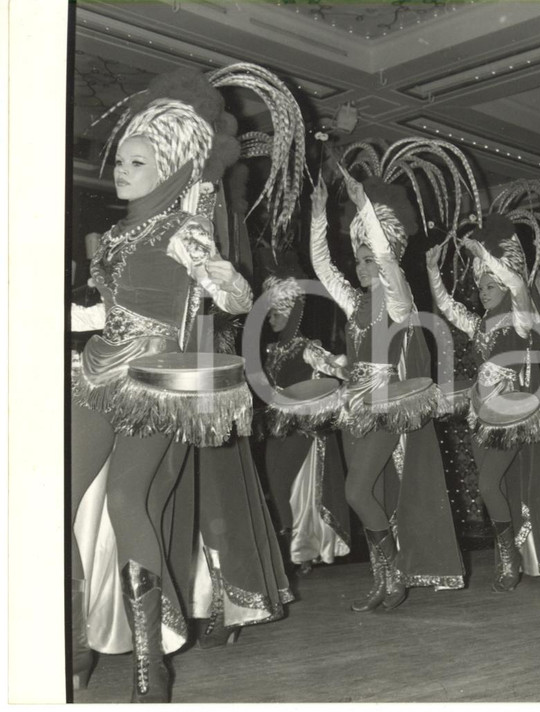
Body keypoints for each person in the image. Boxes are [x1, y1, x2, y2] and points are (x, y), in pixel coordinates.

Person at [70, 65, 302, 701]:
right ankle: (73, 638)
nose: (121, 169)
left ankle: (151, 661)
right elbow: (104, 312)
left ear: (168, 167)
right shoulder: (115, 235)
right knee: (54, 503)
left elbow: (233, 295)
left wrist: (212, 273)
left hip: (154, 381)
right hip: (95, 374)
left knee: (126, 501)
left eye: (137, 161)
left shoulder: (182, 229)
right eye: (120, 159)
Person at [309, 160, 465, 612]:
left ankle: (395, 572)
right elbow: (322, 267)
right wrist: (320, 217)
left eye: (367, 260)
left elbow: (389, 262)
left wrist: (364, 208)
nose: (360, 267)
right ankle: (382, 579)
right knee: (367, 496)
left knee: (357, 491)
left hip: (385, 407)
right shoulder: (355, 302)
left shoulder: (398, 300)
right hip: (353, 409)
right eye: (357, 260)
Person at [427, 205, 540, 593]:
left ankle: (507, 556)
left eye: (489, 284)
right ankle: (509, 551)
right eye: (480, 285)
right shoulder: (478, 323)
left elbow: (517, 284)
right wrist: (432, 272)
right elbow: (447, 307)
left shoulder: (519, 316)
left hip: (515, 411)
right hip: (482, 413)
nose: (483, 290)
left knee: (487, 484)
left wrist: (483, 253)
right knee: (492, 484)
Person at [259, 268, 352, 575]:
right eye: (270, 313)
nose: (270, 319)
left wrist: (343, 372)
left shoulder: (306, 347)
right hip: (278, 426)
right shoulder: (273, 351)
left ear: (291, 313)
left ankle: (296, 551)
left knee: (289, 484)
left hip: (302, 426)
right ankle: (298, 549)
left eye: (275, 313)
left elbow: (333, 366)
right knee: (278, 484)